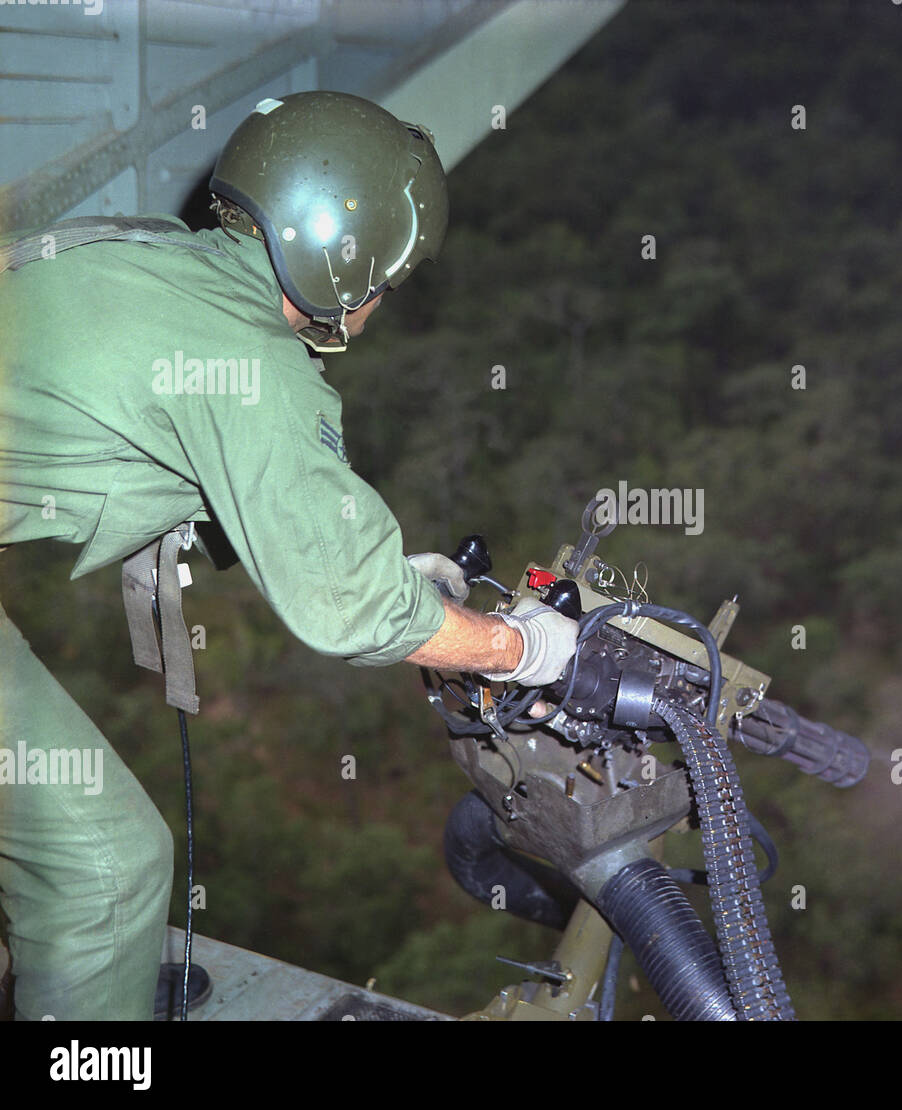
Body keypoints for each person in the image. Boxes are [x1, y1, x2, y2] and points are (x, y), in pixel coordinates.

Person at [0, 91, 577, 1021]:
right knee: (105, 872)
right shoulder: (253, 368)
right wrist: (529, 649)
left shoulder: (158, 253)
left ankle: (78, 992)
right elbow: (348, 608)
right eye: (386, 278)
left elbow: (177, 441)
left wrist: (396, 573)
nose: (382, 299)